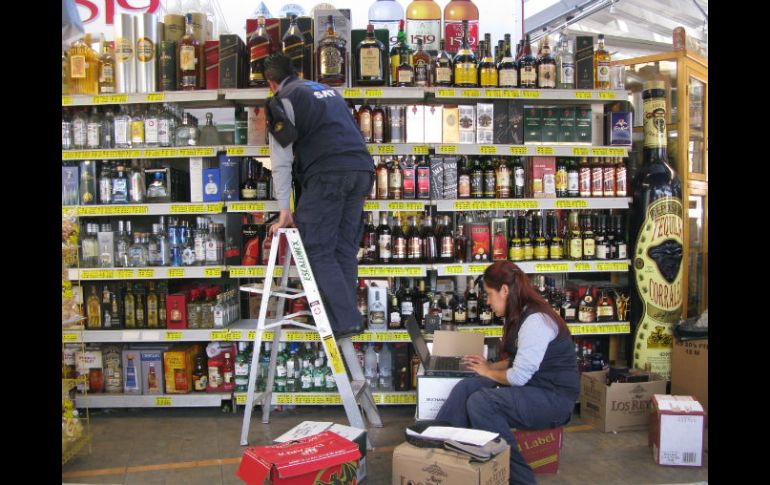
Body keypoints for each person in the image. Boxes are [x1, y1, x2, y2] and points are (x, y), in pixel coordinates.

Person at [435, 261, 580, 485]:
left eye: (489, 295)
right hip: (536, 387)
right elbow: (518, 361)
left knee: (482, 403)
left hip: (553, 399)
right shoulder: (521, 313)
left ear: (504, 290)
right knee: (468, 386)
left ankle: (520, 479)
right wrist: (489, 367)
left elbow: (519, 376)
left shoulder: (536, 321)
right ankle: (439, 446)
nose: (488, 302)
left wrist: (488, 372)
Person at [263, 53, 374, 340]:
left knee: (316, 247)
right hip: (361, 170)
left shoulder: (282, 99)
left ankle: (346, 318)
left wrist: (284, 208)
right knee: (342, 249)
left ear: (271, 83)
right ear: (297, 72)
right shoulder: (327, 92)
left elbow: (281, 159)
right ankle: (343, 316)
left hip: (328, 175)